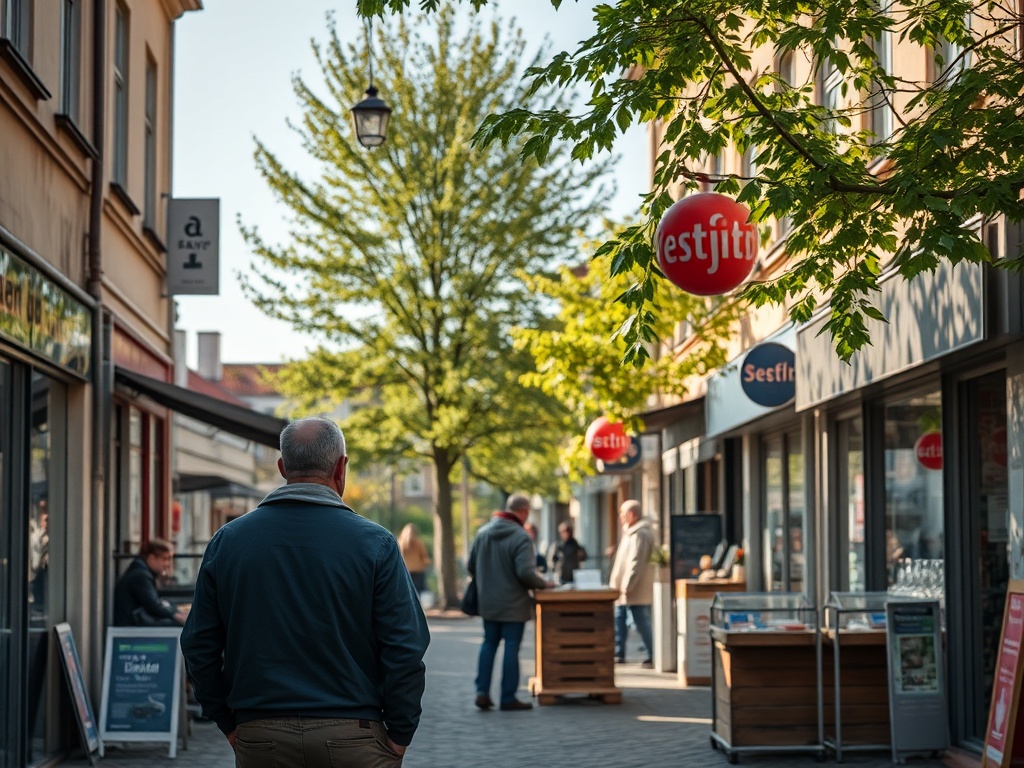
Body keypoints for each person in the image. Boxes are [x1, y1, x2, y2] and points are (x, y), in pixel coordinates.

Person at [180, 417, 429, 766]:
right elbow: (405, 647)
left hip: (260, 732)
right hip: (354, 734)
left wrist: (225, 719)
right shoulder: (375, 543)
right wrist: (400, 734)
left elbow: (198, 643)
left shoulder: (229, 541)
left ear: (282, 467)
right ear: (341, 468)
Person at [468, 494, 553, 711]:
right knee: (511, 647)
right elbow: (525, 573)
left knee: (489, 643)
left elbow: (471, 566)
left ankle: (482, 692)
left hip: (488, 601)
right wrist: (543, 583)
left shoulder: (482, 533)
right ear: (523, 511)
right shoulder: (521, 536)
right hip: (514, 603)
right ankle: (508, 697)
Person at [609, 499, 656, 669]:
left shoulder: (640, 534)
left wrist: (627, 586)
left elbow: (636, 562)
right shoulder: (632, 532)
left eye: (623, 513)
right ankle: (618, 652)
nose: (620, 517)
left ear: (632, 515)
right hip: (624, 588)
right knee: (619, 618)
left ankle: (653, 654)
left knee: (640, 621)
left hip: (632, 588)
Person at [113, 537, 188, 626]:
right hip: (131, 630)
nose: (168, 564)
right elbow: (153, 606)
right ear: (151, 558)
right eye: (165, 559)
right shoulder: (141, 576)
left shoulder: (141, 572)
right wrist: (176, 615)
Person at [398, 523, 432, 594]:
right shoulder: (419, 543)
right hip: (417, 571)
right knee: (417, 593)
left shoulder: (400, 544)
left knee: (406, 593)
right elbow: (424, 557)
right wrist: (426, 563)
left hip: (405, 571)